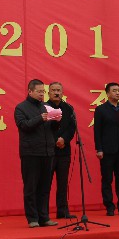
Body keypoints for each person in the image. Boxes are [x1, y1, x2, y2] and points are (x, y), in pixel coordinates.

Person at [14, 79, 58, 228]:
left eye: (42, 92)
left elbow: (52, 129)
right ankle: (32, 218)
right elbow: (23, 126)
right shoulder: (21, 108)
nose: (41, 94)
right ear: (30, 91)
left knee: (45, 187)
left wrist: (56, 120)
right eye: (39, 91)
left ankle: (44, 217)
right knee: (31, 187)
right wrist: (40, 118)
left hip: (47, 152)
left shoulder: (46, 107)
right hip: (31, 152)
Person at [94, 82, 119, 216]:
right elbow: (97, 131)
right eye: (114, 90)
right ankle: (109, 206)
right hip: (107, 150)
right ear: (107, 93)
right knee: (107, 179)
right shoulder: (101, 110)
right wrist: (99, 149)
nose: (118, 93)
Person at [46, 82, 77, 218]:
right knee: (45, 183)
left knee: (63, 183)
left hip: (64, 151)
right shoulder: (43, 107)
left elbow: (72, 127)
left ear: (62, 92)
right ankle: (44, 213)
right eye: (53, 90)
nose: (56, 92)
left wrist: (64, 139)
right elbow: (44, 128)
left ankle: (63, 211)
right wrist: (56, 140)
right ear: (49, 92)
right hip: (48, 151)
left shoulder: (68, 108)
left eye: (58, 90)